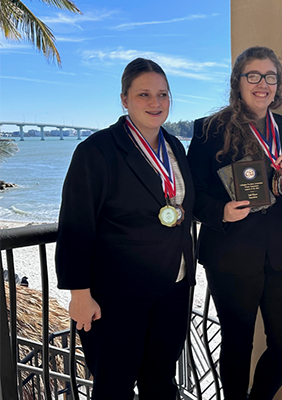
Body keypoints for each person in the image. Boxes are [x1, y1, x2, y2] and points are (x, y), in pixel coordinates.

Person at [55, 58, 195, 400]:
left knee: (161, 381)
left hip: (172, 287)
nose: (155, 103)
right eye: (144, 94)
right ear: (124, 99)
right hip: (117, 296)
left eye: (163, 95)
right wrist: (79, 293)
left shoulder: (174, 146)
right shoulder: (96, 150)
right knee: (114, 386)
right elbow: (75, 224)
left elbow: (183, 206)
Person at [187, 46, 282, 400]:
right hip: (230, 253)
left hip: (281, 255)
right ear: (237, 82)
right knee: (236, 345)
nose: (262, 84)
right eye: (253, 75)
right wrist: (221, 211)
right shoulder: (210, 129)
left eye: (270, 77)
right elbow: (193, 195)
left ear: (277, 84)